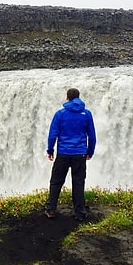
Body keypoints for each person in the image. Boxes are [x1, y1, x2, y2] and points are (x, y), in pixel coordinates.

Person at [44, 88, 96, 221]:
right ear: (78, 97)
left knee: (56, 181)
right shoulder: (87, 114)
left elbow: (52, 135)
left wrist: (50, 150)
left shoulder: (60, 114)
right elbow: (92, 136)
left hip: (63, 153)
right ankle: (80, 213)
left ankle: (51, 209)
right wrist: (90, 151)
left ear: (67, 97)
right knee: (78, 182)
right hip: (80, 154)